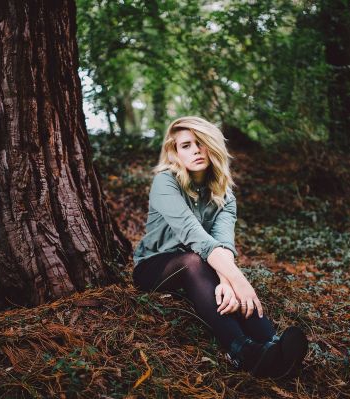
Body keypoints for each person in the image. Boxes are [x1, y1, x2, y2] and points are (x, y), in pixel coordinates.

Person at [132, 116, 308, 378]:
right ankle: (242, 351)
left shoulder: (224, 194)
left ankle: (274, 348)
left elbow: (223, 243)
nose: (195, 150)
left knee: (211, 267)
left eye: (200, 143)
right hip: (156, 267)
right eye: (186, 145)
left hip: (204, 264)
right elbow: (195, 237)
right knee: (194, 261)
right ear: (175, 153)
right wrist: (238, 280)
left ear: (211, 146)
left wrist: (227, 280)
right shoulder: (165, 182)